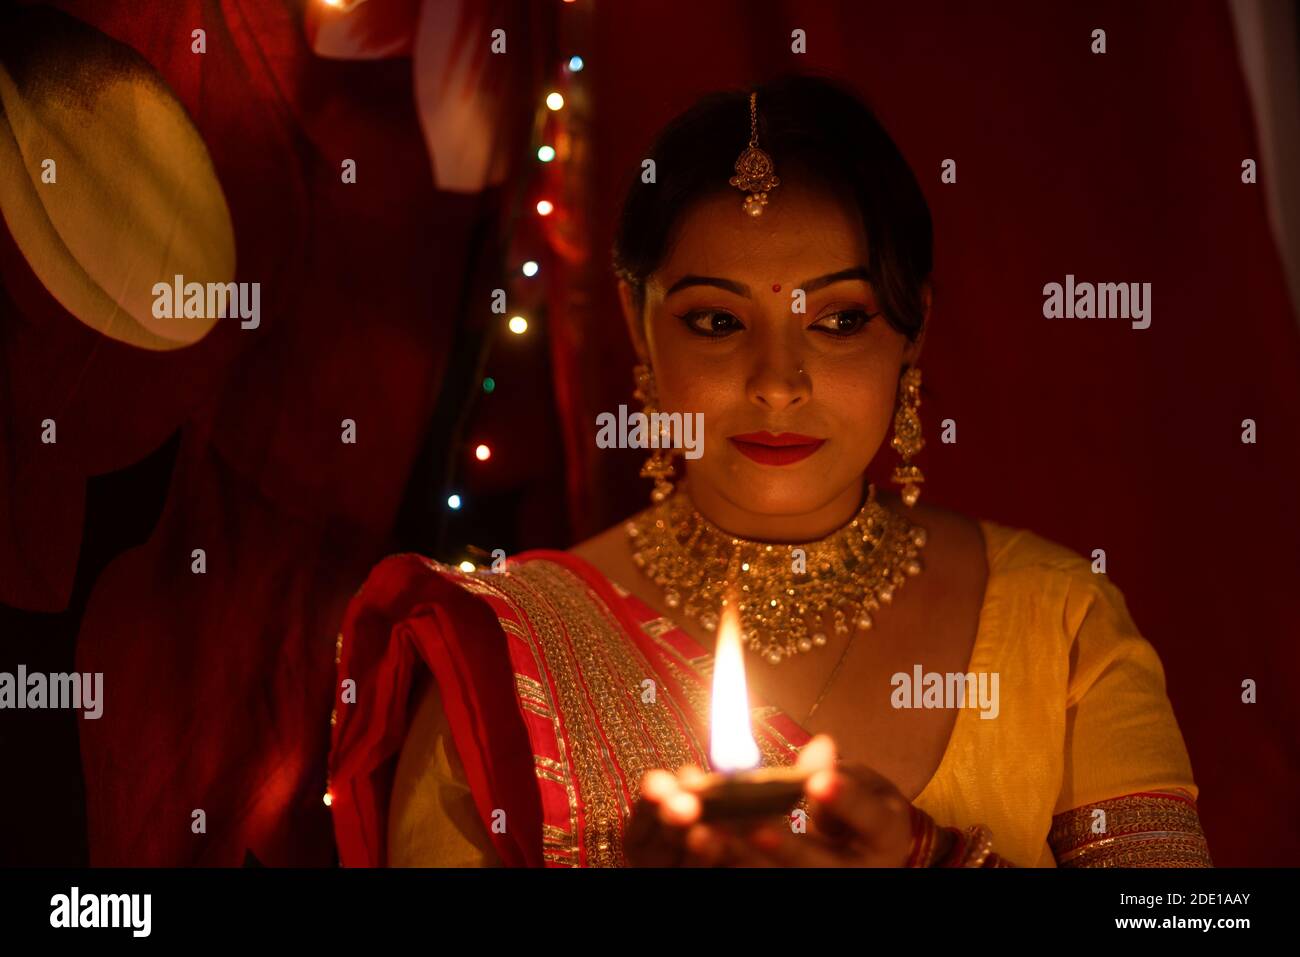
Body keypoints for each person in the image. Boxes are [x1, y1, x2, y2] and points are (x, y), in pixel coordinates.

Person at [326, 74, 1212, 868]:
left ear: (914, 332)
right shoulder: (503, 659)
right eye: (716, 321)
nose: (778, 384)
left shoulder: (1058, 620)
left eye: (838, 320)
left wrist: (927, 859)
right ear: (640, 326)